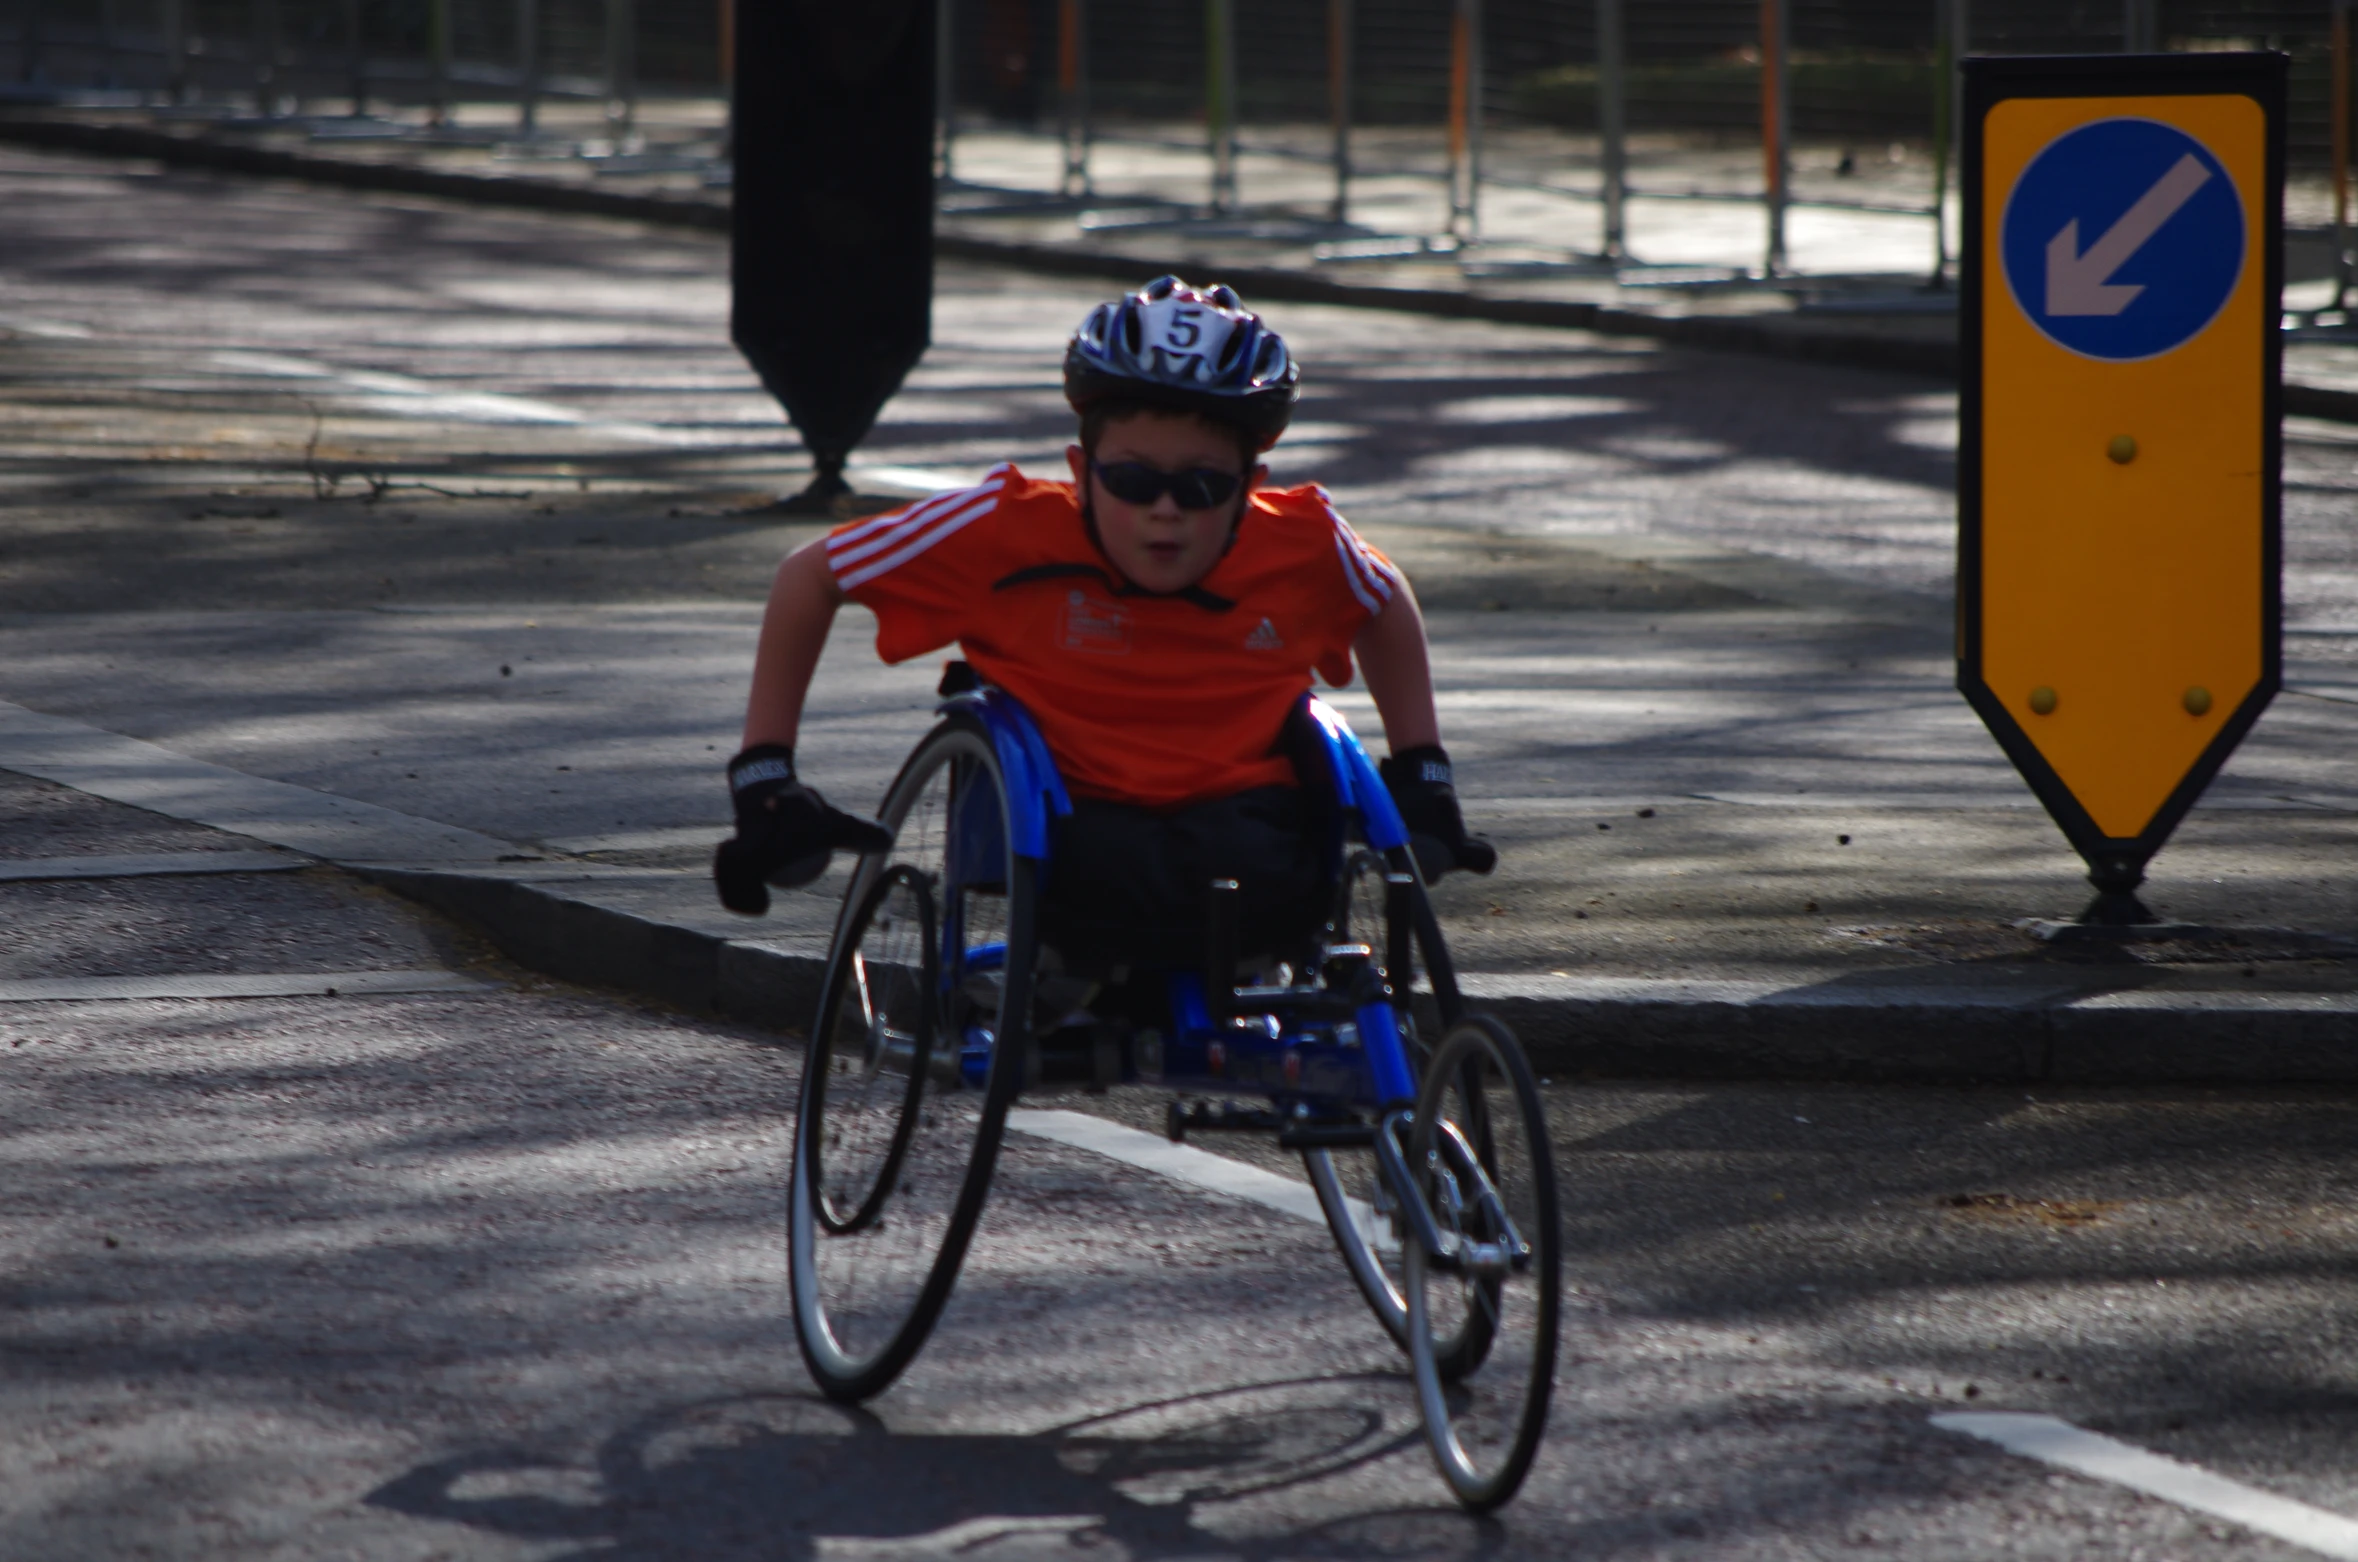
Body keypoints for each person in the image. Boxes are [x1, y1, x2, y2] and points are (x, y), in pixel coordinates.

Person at [714, 275, 1494, 974]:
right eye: (1130, 480)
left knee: (1284, 875)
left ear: (1249, 487)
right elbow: (809, 576)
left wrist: (1424, 770)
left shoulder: (1302, 541)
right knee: (1105, 869)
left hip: (1255, 844)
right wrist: (764, 775)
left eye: (1200, 485)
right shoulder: (1000, 528)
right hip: (1068, 833)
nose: (1164, 509)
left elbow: (1384, 599)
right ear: (1080, 472)